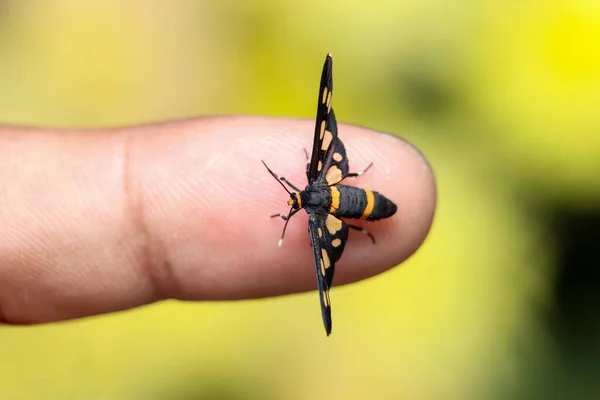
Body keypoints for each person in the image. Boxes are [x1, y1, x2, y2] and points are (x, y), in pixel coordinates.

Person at [0, 116, 436, 324]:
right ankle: (364, 215)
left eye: (297, 200)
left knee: (343, 238)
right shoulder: (319, 175)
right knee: (346, 227)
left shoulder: (316, 210)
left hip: (363, 205)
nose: (299, 200)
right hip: (357, 196)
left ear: (305, 197)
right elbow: (325, 118)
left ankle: (365, 219)